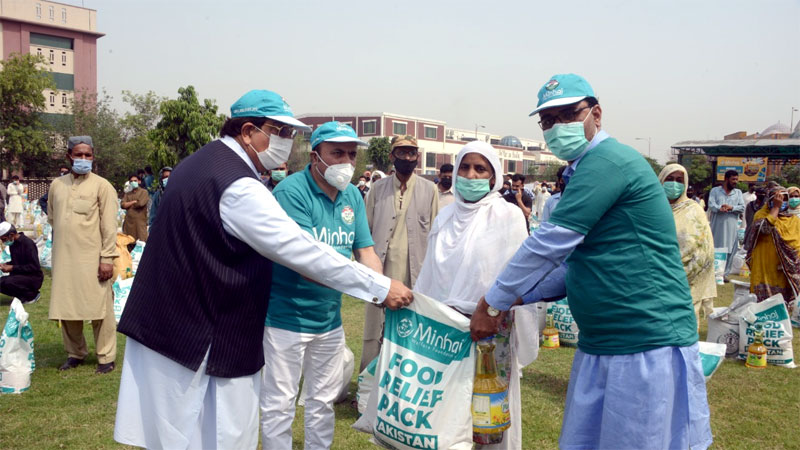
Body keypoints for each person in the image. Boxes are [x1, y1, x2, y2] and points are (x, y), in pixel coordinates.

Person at [113, 90, 412, 450]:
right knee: (224, 435)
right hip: (204, 330)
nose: (287, 142)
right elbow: (301, 250)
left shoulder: (201, 162)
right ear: (249, 131)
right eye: (281, 132)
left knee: (184, 435)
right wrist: (379, 287)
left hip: (175, 324)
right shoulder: (239, 185)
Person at [470, 74, 711, 449]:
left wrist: (493, 301)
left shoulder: (608, 161)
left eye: (567, 114)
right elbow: (574, 265)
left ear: (595, 113)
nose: (556, 127)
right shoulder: (583, 170)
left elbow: (549, 243)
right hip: (603, 343)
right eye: (547, 121)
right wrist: (519, 297)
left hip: (644, 342)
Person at [259, 121, 376, 449]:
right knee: (279, 403)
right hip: (286, 318)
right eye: (336, 153)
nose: (346, 162)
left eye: (352, 154)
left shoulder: (352, 194)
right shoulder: (291, 192)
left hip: (329, 320)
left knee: (322, 401)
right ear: (315, 156)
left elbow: (365, 250)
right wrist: (373, 288)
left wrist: (381, 288)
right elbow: (309, 265)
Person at [414, 141, 528, 449]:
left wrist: (490, 312)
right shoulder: (445, 217)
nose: (470, 174)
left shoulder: (509, 217)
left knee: (486, 418)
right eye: (464, 167)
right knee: (445, 413)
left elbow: (518, 277)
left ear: (494, 177)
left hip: (489, 330)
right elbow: (429, 276)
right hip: (443, 330)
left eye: (480, 169)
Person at [359, 134, 439, 371]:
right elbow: (366, 230)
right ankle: (368, 385)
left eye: (411, 153)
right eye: (401, 152)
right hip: (380, 270)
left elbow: (434, 234)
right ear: (392, 156)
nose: (407, 157)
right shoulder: (377, 188)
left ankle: (406, 386)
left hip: (416, 271)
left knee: (413, 329)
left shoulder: (429, 189)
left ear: (418, 157)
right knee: (375, 329)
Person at [48, 136, 119, 374]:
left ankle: (106, 357)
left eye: (88, 155)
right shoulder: (57, 185)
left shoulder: (102, 186)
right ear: (69, 156)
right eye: (78, 155)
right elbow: (52, 218)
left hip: (93, 259)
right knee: (67, 308)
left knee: (101, 309)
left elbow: (109, 226)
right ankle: (75, 353)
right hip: (64, 258)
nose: (83, 159)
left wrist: (107, 258)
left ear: (93, 157)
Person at [659, 164, 717, 330]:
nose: (674, 184)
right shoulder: (651, 208)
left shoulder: (694, 210)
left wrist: (678, 274)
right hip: (656, 280)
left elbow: (703, 249)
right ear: (661, 181)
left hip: (686, 281)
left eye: (679, 180)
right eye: (669, 179)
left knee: (683, 328)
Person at [744, 186, 800, 304]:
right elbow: (765, 228)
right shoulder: (761, 215)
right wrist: (775, 208)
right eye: (778, 199)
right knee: (763, 305)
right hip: (764, 268)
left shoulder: (794, 220)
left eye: (784, 199)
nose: (782, 203)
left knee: (784, 305)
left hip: (785, 271)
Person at [709, 170, 745, 279]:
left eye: (736, 179)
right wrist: (720, 208)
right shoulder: (715, 191)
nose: (735, 182)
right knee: (715, 248)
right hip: (717, 227)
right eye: (733, 179)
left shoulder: (738, 193)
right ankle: (713, 274)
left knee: (730, 250)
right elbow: (711, 204)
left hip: (732, 227)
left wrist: (731, 208)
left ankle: (725, 274)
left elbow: (742, 207)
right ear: (726, 179)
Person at [0, 222, 43, 304]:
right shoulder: (13, 244)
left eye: (4, 239)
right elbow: (18, 262)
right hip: (20, 275)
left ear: (11, 235)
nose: (3, 242)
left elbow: (34, 267)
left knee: (9, 282)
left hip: (33, 277)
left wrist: (12, 267)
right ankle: (21, 296)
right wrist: (6, 265)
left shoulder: (28, 243)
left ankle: (32, 296)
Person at [121, 174, 149, 242]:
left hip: (140, 223)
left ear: (139, 181)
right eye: (131, 181)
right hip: (128, 223)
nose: (133, 182)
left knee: (141, 243)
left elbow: (140, 203)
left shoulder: (144, 192)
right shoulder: (128, 194)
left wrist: (128, 204)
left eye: (135, 181)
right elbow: (122, 205)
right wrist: (133, 202)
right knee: (129, 242)